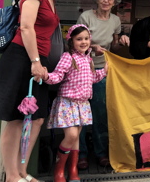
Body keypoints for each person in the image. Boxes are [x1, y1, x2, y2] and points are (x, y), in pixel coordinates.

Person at [0, 0, 72, 182]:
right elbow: (26, 27)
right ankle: (11, 176)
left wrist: (42, 62)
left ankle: (23, 172)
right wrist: (35, 62)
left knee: (36, 118)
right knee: (16, 118)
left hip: (40, 61)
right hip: (22, 58)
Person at [43, 24, 108, 182]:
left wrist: (104, 70)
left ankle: (72, 171)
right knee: (71, 135)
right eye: (79, 39)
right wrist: (46, 76)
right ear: (71, 41)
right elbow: (57, 76)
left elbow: (92, 78)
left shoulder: (88, 59)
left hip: (83, 104)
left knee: (76, 138)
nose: (84, 42)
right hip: (68, 103)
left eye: (86, 38)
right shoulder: (68, 57)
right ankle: (59, 171)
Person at [76, 0, 129, 169]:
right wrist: (92, 48)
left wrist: (121, 42)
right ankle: (80, 155)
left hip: (102, 72)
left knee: (100, 115)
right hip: (82, 70)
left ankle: (100, 153)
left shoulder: (115, 21)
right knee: (81, 116)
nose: (106, 1)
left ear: (115, 2)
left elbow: (113, 47)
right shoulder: (86, 17)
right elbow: (76, 43)